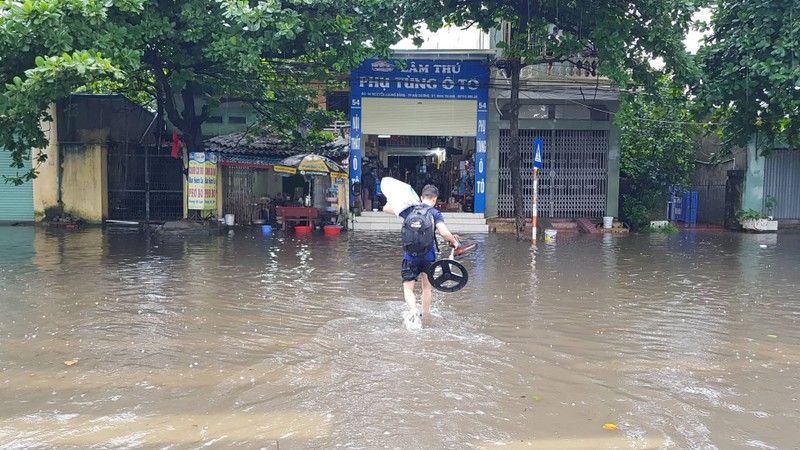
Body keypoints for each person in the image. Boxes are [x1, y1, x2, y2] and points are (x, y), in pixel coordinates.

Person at [383, 184, 459, 329]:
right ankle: (426, 315)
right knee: (426, 288)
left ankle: (413, 311)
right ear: (435, 200)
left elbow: (386, 209)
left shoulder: (410, 210)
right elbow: (444, 233)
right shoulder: (435, 213)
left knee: (408, 288)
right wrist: (453, 241)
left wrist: (404, 200)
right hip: (428, 256)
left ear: (421, 197)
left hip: (410, 256)